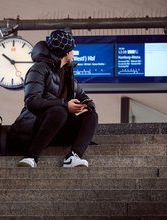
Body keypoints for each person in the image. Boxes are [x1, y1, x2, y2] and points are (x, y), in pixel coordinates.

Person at [7, 29, 98, 168]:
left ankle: (74, 156)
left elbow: (82, 95)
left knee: (91, 115)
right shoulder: (39, 69)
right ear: (67, 52)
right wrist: (65, 104)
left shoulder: (68, 73)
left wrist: (86, 104)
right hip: (35, 127)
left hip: (58, 129)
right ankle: (31, 157)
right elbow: (32, 101)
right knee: (59, 111)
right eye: (72, 50)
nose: (73, 53)